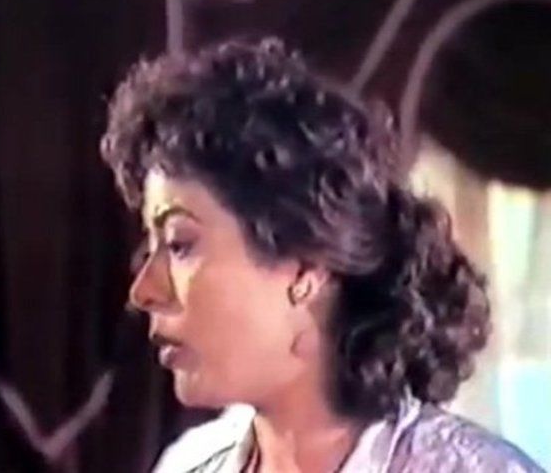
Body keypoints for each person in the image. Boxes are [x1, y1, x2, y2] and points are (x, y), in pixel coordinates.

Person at [100, 38, 544, 473]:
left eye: (179, 244)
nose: (143, 291)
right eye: (151, 248)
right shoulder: (189, 463)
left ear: (306, 265)